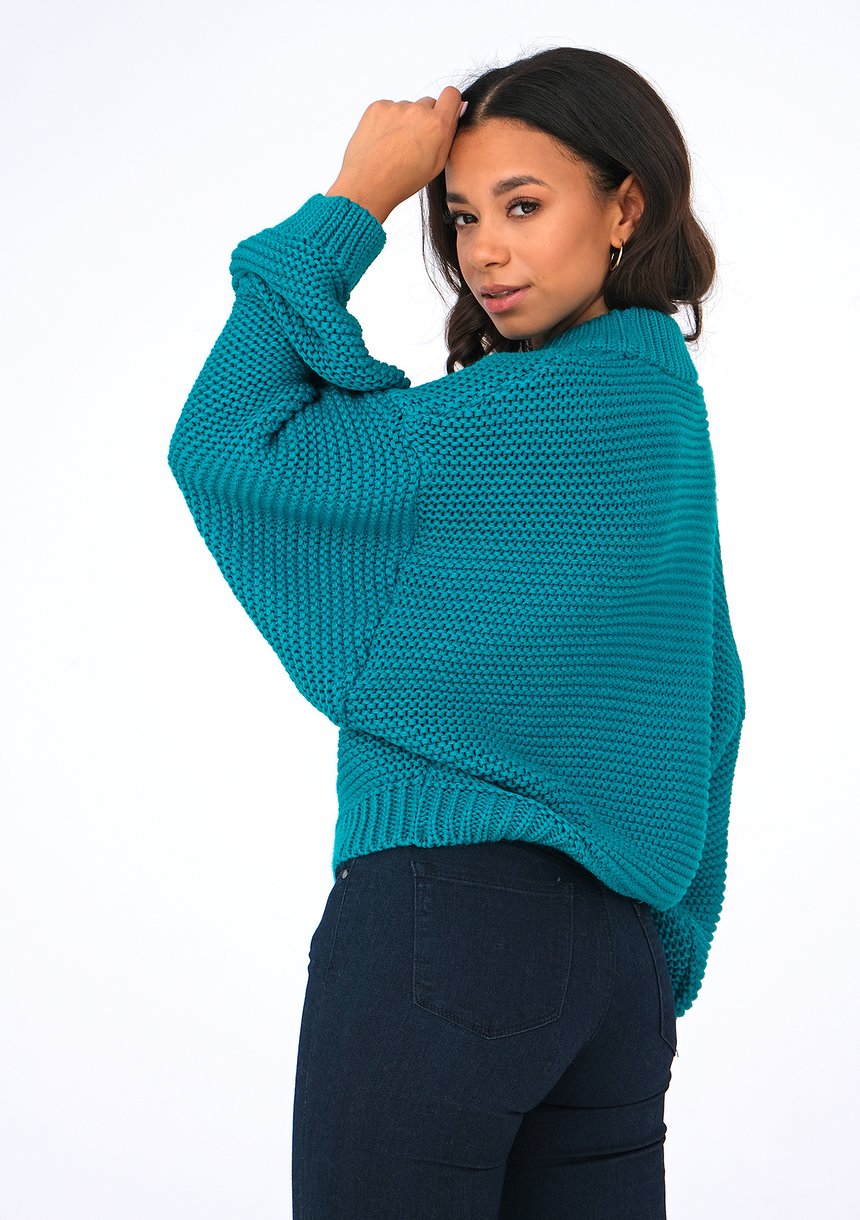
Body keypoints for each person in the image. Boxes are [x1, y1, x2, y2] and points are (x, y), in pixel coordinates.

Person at [167, 45, 746, 1220]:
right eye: (463, 213)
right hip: (615, 974)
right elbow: (712, 701)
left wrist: (354, 199)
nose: (482, 250)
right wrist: (656, 951)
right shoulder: (657, 408)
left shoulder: (506, 422)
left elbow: (225, 440)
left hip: (445, 924)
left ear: (624, 206)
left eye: (522, 206)